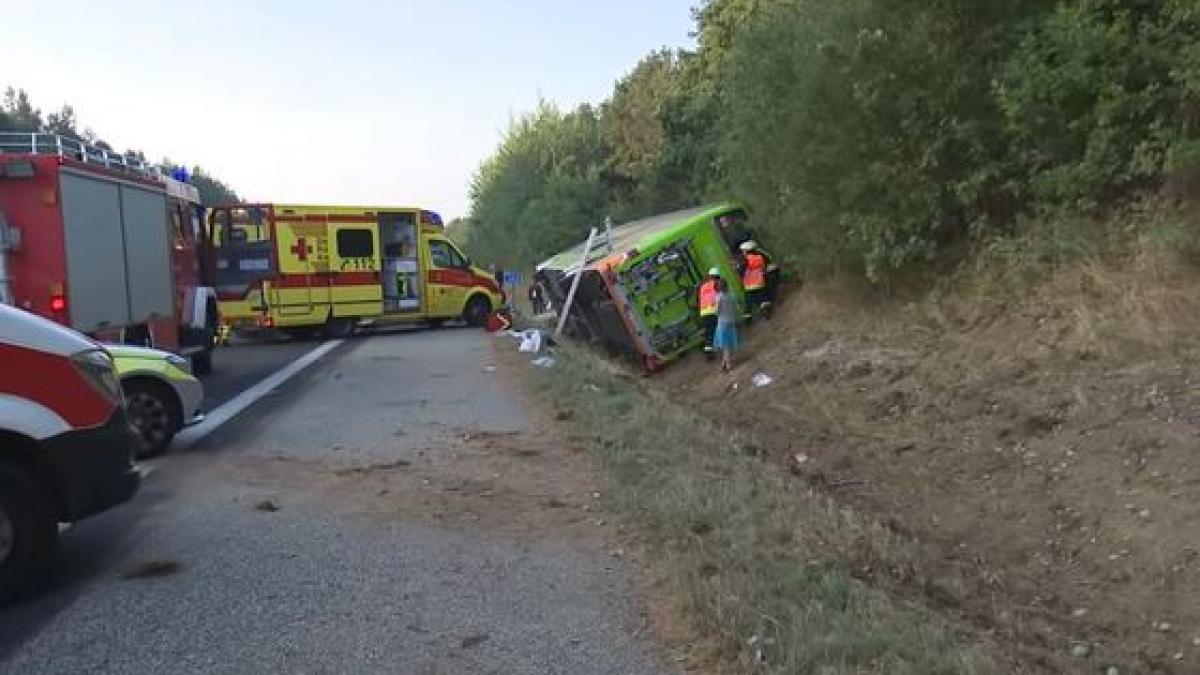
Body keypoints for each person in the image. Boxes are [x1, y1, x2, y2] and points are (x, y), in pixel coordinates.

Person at [738, 240, 774, 320]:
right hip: (760, 283)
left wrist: (741, 277)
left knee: (751, 301)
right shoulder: (760, 257)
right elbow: (766, 265)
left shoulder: (746, 260)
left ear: (746, 251)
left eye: (743, 251)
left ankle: (749, 317)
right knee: (762, 300)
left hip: (749, 286)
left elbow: (741, 271)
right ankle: (766, 312)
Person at [712, 277, 740, 372]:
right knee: (729, 344)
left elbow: (716, 312)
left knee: (725, 346)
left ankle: (728, 365)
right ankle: (724, 363)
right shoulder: (731, 295)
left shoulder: (719, 297)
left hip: (722, 323)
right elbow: (736, 308)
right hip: (731, 321)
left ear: (719, 288)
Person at [697, 267, 721, 356]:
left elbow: (699, 299)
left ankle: (708, 349)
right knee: (715, 328)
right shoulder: (716, 283)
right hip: (713, 310)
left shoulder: (703, 286)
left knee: (708, 330)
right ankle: (715, 347)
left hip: (703, 312)